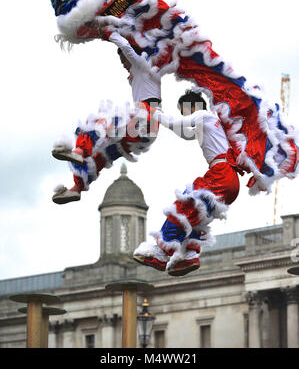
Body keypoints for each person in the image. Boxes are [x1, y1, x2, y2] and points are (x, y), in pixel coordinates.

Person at [133, 90, 243, 276]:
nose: (185, 116)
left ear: (192, 107)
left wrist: (154, 112)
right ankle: (190, 254)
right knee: (196, 216)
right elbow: (185, 132)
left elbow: (179, 123)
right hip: (230, 180)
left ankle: (161, 253)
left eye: (184, 111)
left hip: (221, 174)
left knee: (183, 205)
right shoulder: (210, 122)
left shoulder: (203, 114)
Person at [52, 32, 162, 204]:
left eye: (125, 61)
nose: (124, 65)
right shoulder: (137, 76)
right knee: (103, 154)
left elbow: (126, 46)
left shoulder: (142, 65)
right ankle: (77, 187)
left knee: (99, 121)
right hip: (143, 133)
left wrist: (108, 32)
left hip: (147, 117)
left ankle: (80, 151)